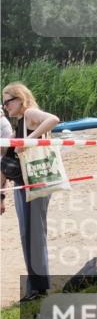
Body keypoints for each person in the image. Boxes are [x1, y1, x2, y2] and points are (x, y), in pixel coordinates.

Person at [1, 83, 59, 302]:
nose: (5, 106)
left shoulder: (29, 114)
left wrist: (29, 138)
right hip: (24, 183)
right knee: (29, 234)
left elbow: (53, 118)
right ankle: (35, 286)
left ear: (20, 99)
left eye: (8, 101)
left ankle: (39, 287)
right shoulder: (19, 122)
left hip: (36, 183)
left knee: (34, 234)